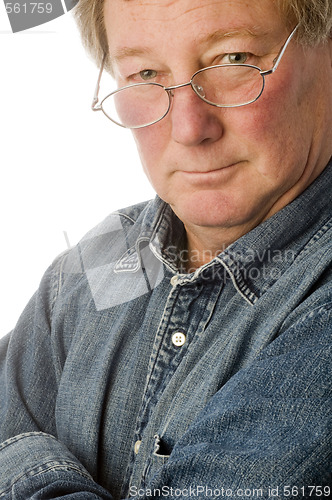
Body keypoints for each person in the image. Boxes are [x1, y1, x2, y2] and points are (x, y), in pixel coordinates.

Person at [0, 0, 331, 498]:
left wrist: (20, 455)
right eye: (146, 73)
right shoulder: (106, 252)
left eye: (233, 59)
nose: (189, 128)